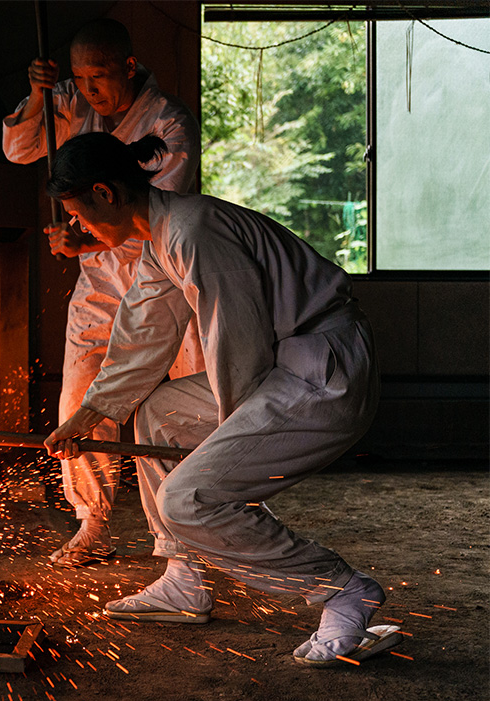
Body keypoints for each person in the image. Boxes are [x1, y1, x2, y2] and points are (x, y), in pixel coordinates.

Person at [43, 132, 403, 666]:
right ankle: (183, 577)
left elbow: (236, 343)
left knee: (190, 499)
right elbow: (142, 332)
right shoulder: (162, 237)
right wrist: (89, 415)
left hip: (322, 370)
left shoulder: (192, 231)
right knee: (160, 412)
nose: (80, 230)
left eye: (80, 215)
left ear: (105, 192)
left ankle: (341, 588)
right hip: (286, 363)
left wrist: (229, 456)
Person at [3, 18, 205, 567]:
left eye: (99, 78)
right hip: (99, 280)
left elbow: (147, 212)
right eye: (79, 78)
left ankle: (200, 515)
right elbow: (19, 150)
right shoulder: (66, 101)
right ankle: (92, 519)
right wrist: (38, 95)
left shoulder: (168, 122)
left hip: (160, 268)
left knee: (192, 396)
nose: (89, 90)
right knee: (80, 394)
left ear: (129, 67)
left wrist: (84, 236)